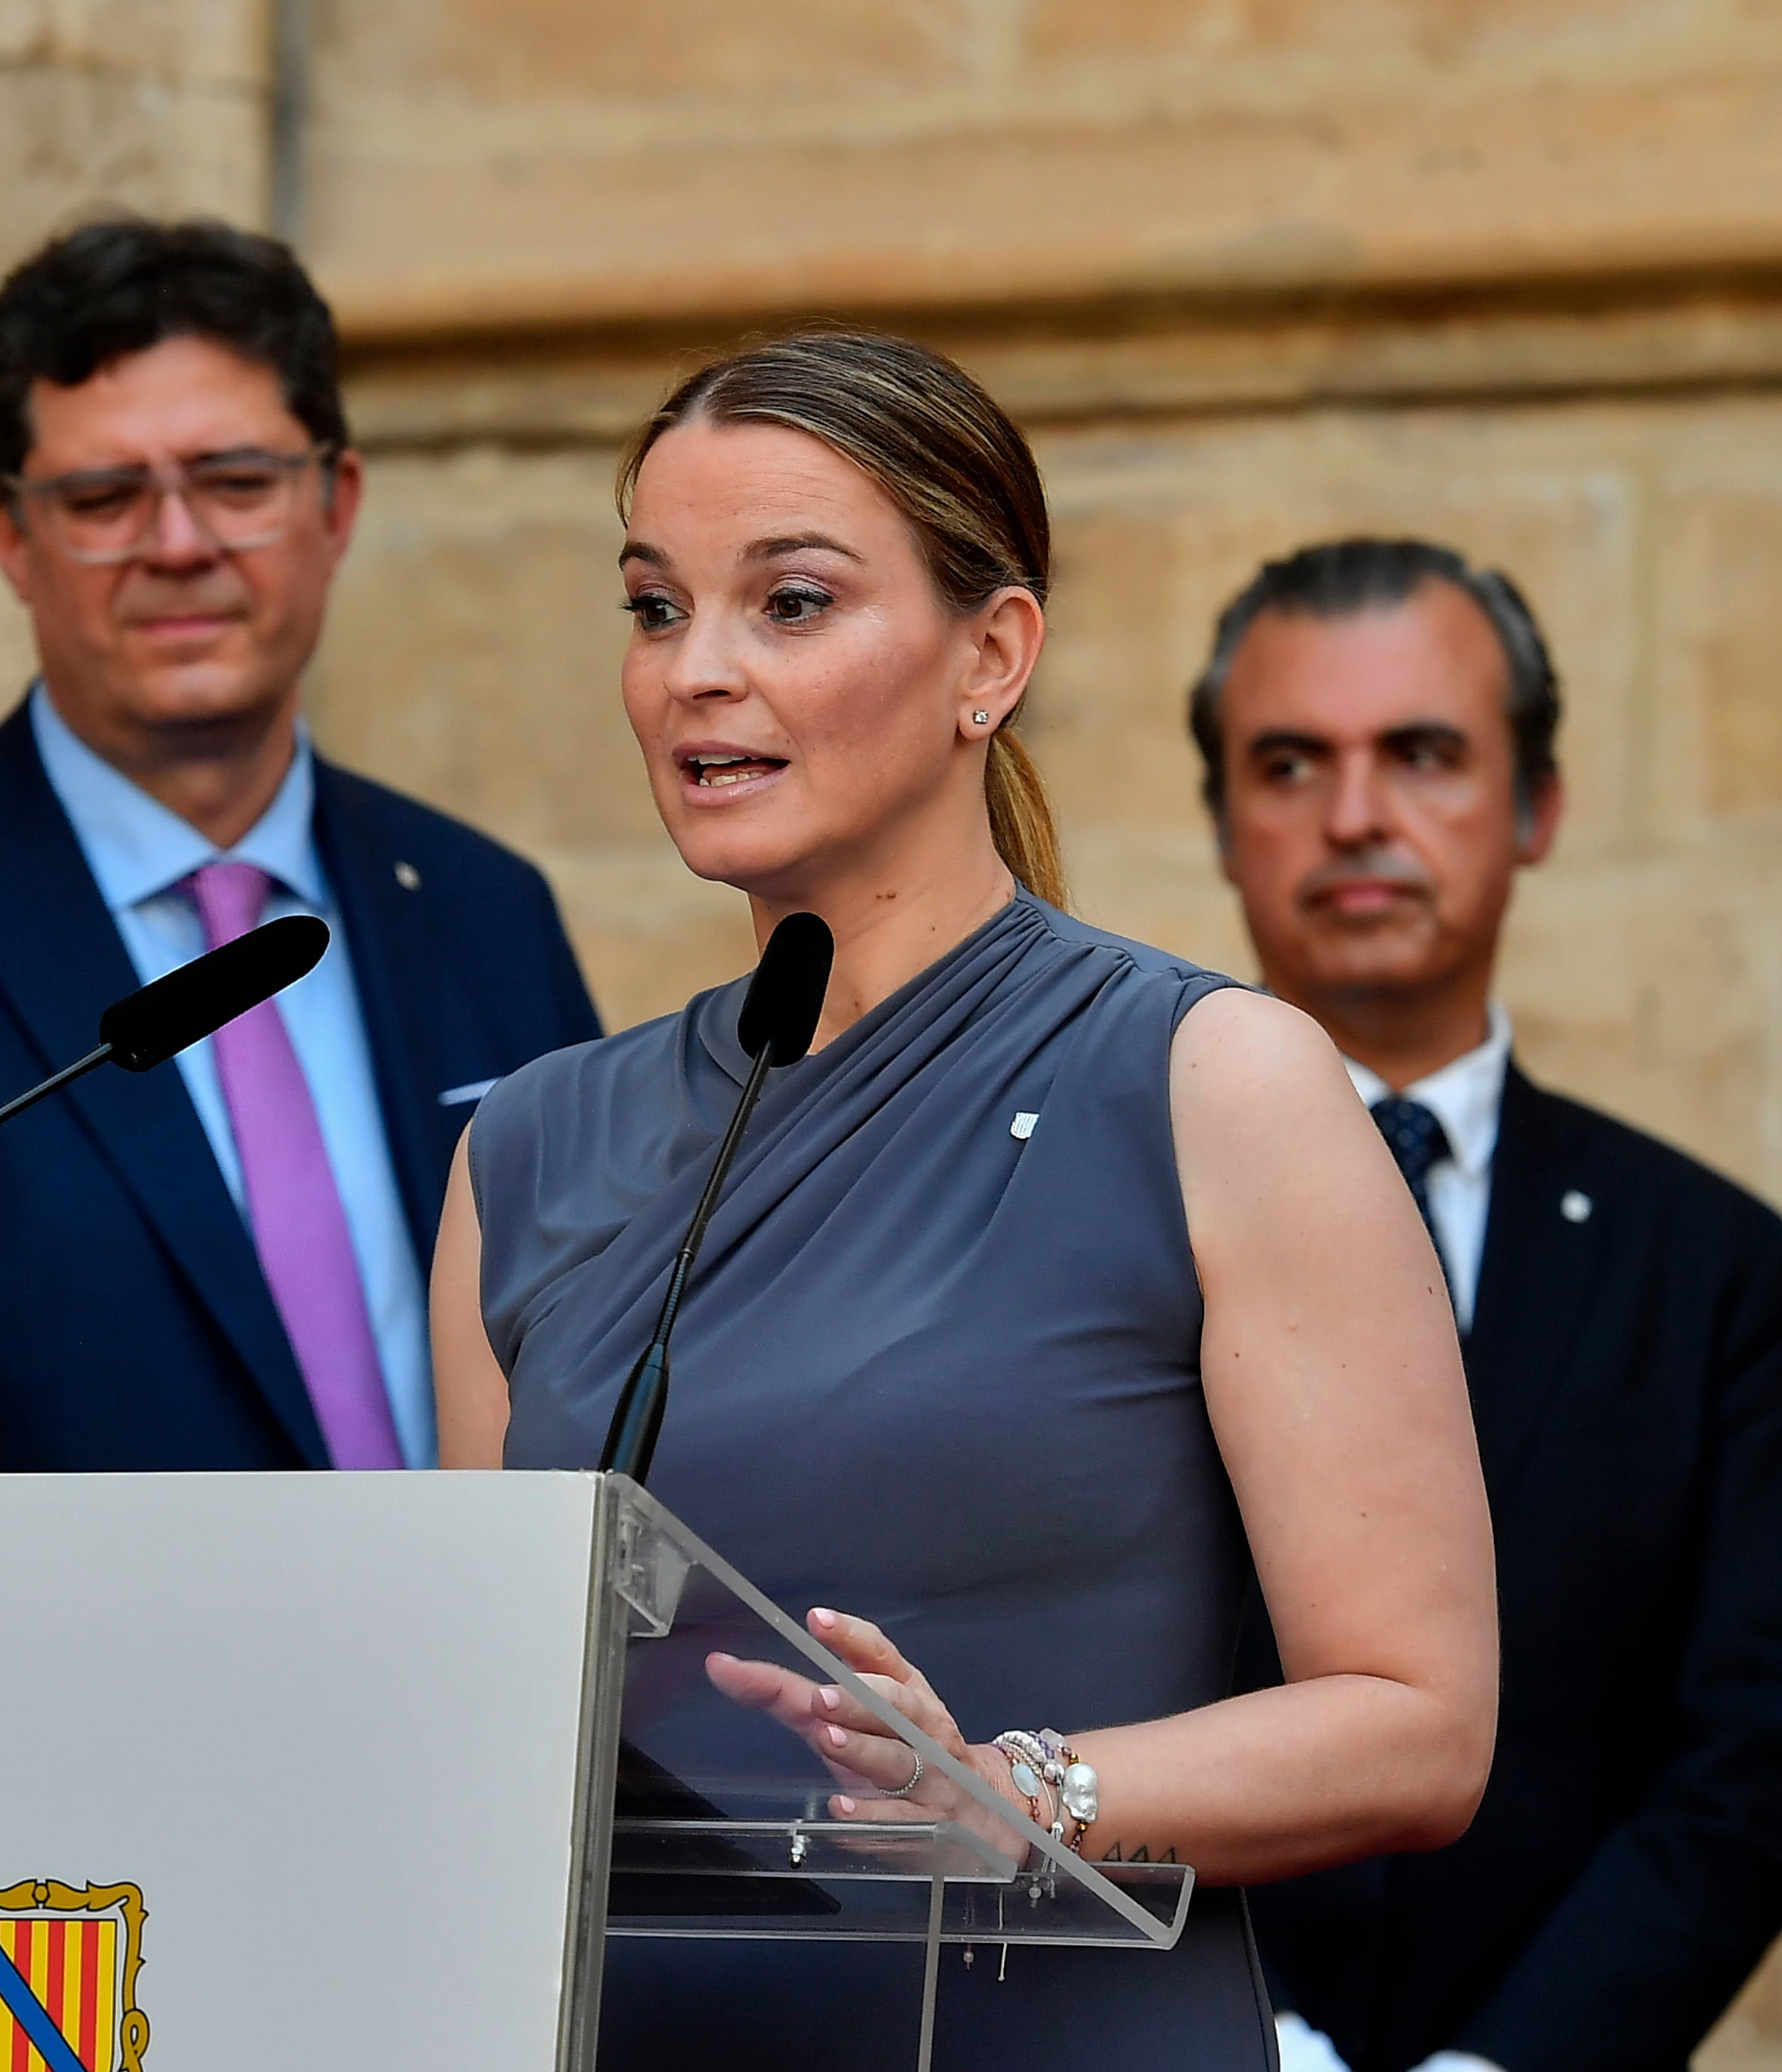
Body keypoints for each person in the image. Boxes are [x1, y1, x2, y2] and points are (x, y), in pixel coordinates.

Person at [429, 333, 1499, 2067]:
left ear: (989, 656)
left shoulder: (1215, 1084)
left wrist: (1023, 1795)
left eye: (789, 603)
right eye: (652, 607)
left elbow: (1419, 1727)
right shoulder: (527, 1150)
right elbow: (492, 1735)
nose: (697, 672)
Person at [0, 217, 600, 1473]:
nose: (180, 545)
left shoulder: (482, 907)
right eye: (103, 498)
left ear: (337, 501)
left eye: (237, 482)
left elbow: (607, 1368)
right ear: (8, 535)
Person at [1196, 539, 1782, 2072]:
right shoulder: (1107, 1217)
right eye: (1291, 763)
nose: (1356, 816)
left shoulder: (1701, 1259)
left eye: (1422, 754)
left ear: (1535, 808)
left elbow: (1742, 1766)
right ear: (1223, 823)